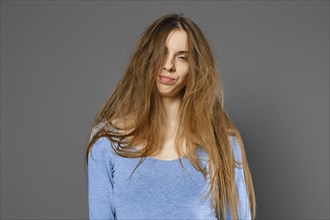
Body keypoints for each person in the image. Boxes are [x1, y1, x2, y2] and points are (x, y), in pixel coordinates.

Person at [84, 12, 256, 220]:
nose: (168, 65)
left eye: (182, 57)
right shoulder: (106, 141)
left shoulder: (222, 141)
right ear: (147, 58)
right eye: (161, 53)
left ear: (195, 67)